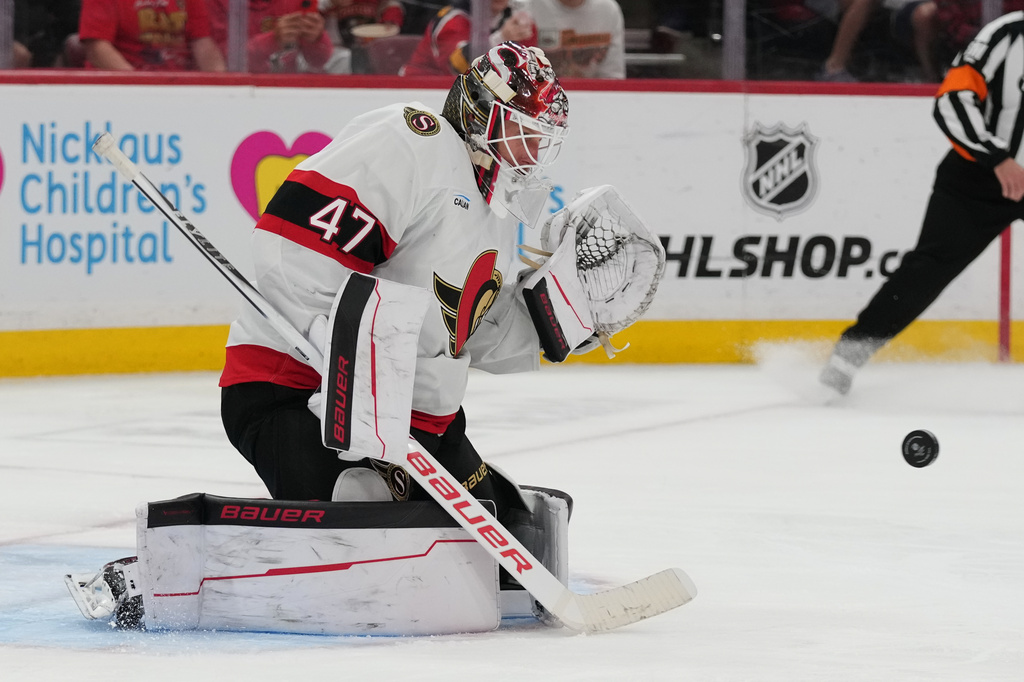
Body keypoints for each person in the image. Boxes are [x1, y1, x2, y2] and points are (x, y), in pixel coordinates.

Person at [820, 11, 1024, 395]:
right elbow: (953, 99)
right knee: (928, 269)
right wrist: (996, 157)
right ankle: (848, 356)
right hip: (979, 176)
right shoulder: (1007, 35)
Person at [78, 0, 225, 70]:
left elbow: (201, 41)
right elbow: (97, 48)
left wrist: (222, 89)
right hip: (119, 91)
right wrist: (141, 86)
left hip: (178, 90)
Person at [399, 0, 535, 76]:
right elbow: (458, 66)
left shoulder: (515, 21)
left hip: (467, 90)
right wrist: (501, 37)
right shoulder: (454, 20)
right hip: (417, 88)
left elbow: (528, 67)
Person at [207, 0, 334, 73]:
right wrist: (271, 41)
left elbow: (319, 62)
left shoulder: (298, 2)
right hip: (235, 93)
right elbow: (219, 63)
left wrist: (316, 39)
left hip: (287, 91)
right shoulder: (217, 3)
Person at [528, 0, 625, 79]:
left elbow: (612, 77)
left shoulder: (608, 10)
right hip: (539, 91)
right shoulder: (528, 7)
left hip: (590, 92)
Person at [13, 0, 82, 68]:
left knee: (76, 44)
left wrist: (59, 50)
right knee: (19, 53)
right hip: (15, 42)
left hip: (50, 47)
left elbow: (74, 19)